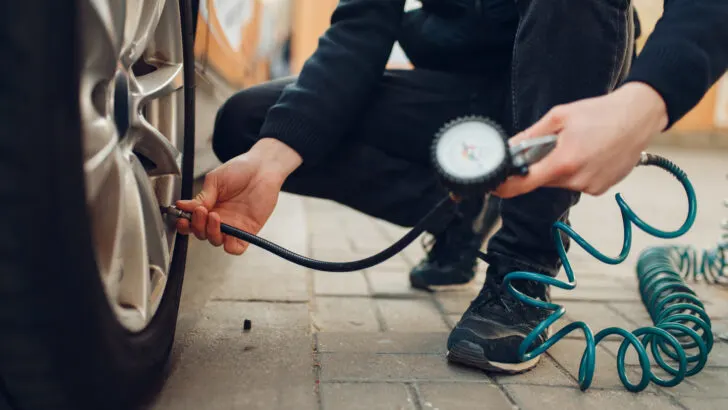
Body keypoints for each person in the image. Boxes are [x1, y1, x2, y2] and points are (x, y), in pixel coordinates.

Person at [177, 0, 728, 374]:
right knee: (249, 121)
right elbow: (360, 28)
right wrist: (273, 158)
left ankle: (522, 271)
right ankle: (458, 217)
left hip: (572, 73)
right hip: (460, 94)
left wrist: (644, 101)